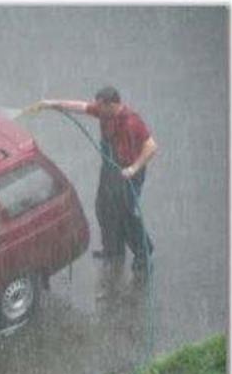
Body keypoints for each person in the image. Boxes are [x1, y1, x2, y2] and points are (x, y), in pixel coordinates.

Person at [28, 86, 158, 283]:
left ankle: (144, 254)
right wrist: (52, 104)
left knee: (127, 215)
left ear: (112, 104)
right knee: (104, 209)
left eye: (100, 105)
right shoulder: (104, 111)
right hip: (111, 168)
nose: (96, 109)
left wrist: (133, 168)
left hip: (128, 172)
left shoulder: (131, 121)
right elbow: (80, 106)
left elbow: (151, 147)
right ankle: (113, 250)